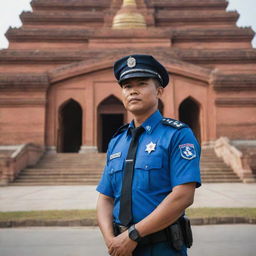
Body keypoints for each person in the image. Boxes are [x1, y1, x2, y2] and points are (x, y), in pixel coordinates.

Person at [96, 54, 201, 256]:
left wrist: (133, 235)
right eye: (126, 86)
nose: (133, 91)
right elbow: (105, 198)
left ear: (159, 91)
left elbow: (183, 196)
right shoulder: (117, 141)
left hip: (162, 248)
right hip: (121, 249)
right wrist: (111, 240)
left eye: (142, 84)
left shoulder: (177, 135)